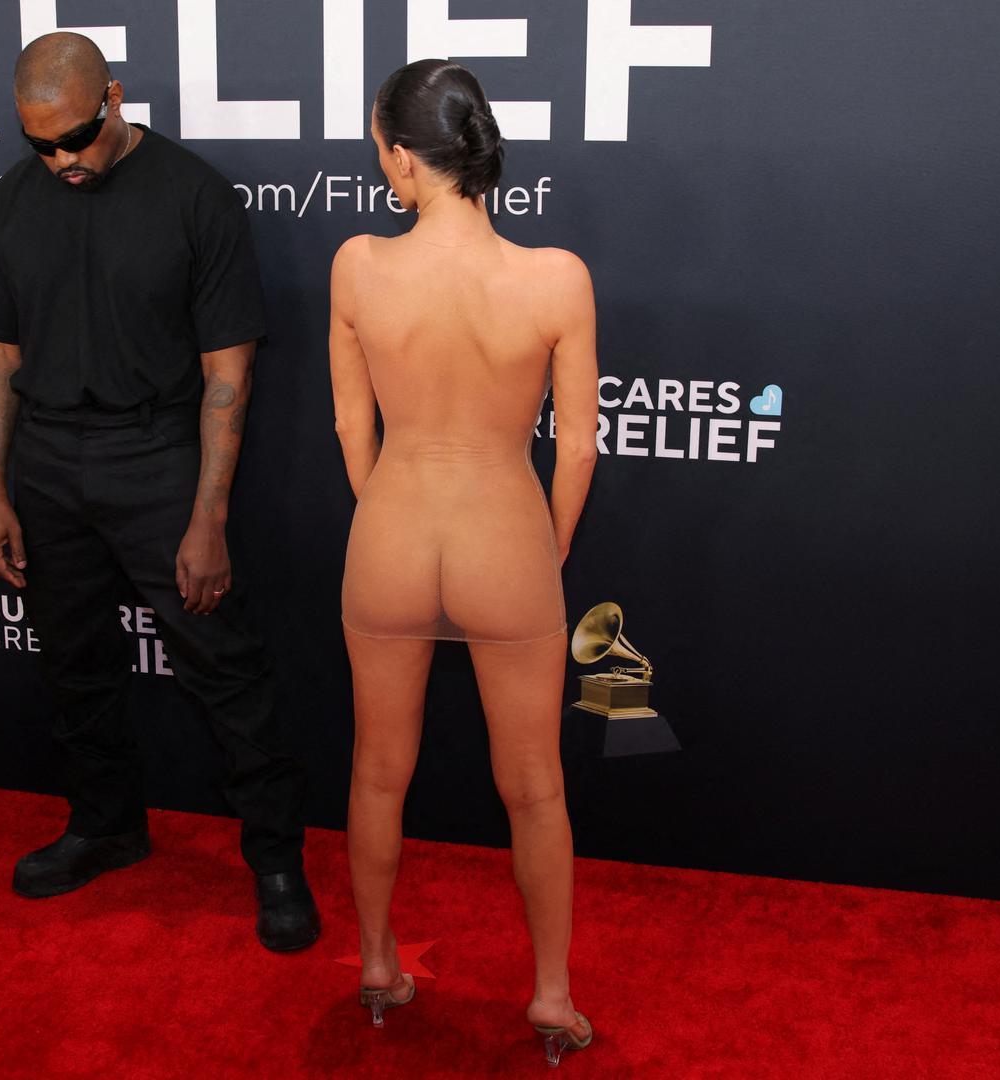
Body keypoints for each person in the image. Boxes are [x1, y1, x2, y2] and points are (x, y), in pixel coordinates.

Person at [0, 32, 319, 952]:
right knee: (73, 664)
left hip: (158, 456)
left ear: (113, 98)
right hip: (47, 459)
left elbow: (228, 370)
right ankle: (105, 826)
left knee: (223, 667)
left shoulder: (194, 196)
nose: (62, 161)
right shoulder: (14, 197)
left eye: (76, 138)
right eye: (40, 144)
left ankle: (276, 859)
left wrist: (208, 515)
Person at [328, 60, 599, 1061]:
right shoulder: (556, 278)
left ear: (404, 159)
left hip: (390, 536)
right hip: (503, 539)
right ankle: (551, 996)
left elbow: (351, 428)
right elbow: (578, 449)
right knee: (534, 786)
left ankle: (376, 965)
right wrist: (545, 544)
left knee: (376, 773)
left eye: (379, 152)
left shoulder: (357, 265)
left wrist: (388, 510)